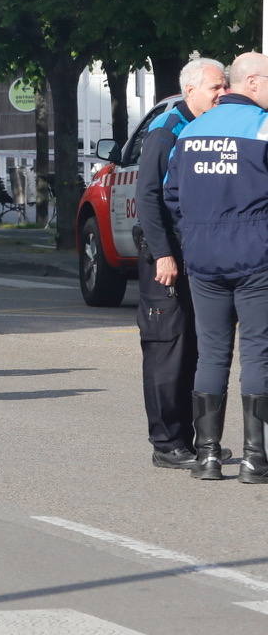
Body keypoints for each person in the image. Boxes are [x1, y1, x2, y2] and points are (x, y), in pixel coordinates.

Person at [165, 51, 268, 481]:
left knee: (212, 353)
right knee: (258, 351)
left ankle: (207, 456)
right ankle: (254, 458)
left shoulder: (191, 131)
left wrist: (193, 237)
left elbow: (172, 195)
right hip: (256, 256)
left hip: (204, 258)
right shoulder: (263, 128)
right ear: (254, 83)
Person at [135, 58, 227, 470]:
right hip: (167, 257)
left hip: (196, 254)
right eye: (215, 88)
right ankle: (167, 443)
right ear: (190, 91)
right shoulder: (166, 130)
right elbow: (149, 196)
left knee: (192, 348)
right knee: (167, 348)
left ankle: (191, 441)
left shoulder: (206, 128)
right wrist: (163, 253)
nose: (223, 93)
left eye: (225, 86)